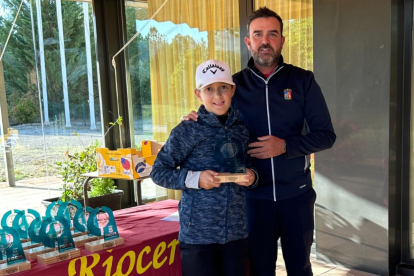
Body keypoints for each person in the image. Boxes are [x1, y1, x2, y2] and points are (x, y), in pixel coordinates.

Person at [184, 7, 336, 276]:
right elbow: (214, 120)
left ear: (282, 40)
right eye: (258, 34)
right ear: (248, 41)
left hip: (296, 196)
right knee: (259, 270)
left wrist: (285, 146)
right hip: (251, 200)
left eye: (272, 34)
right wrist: (195, 119)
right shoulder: (232, 87)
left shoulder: (303, 81)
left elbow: (326, 135)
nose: (265, 41)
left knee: (300, 268)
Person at [150, 59, 258, 276]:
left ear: (233, 90)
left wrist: (252, 177)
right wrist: (196, 179)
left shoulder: (242, 130)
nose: (217, 96)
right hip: (198, 235)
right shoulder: (187, 129)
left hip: (236, 233)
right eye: (209, 89)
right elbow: (159, 172)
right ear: (198, 94)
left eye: (223, 88)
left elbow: (252, 166)